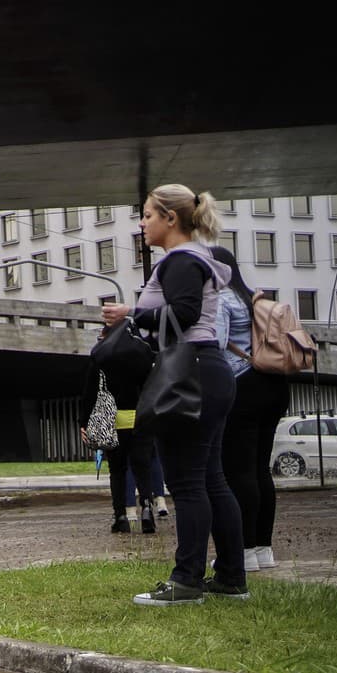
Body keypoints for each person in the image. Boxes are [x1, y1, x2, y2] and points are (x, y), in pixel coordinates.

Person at [102, 185, 246, 606]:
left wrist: (132, 314)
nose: (142, 223)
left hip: (191, 372)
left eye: (147, 215)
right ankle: (231, 579)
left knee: (186, 482)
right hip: (208, 370)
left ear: (170, 218)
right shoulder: (197, 257)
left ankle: (186, 581)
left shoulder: (182, 259)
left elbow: (183, 314)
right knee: (211, 479)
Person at [211, 244, 289, 572]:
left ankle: (242, 551)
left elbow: (213, 344)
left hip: (242, 384)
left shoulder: (221, 299)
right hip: (274, 385)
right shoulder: (253, 297)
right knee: (260, 468)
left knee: (237, 471)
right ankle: (262, 549)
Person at [77, 356, 156, 534]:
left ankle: (120, 516)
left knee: (117, 470)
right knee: (142, 467)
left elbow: (89, 392)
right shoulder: (140, 354)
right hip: (139, 418)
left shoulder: (102, 358)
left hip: (113, 420)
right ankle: (147, 509)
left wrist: (84, 422)